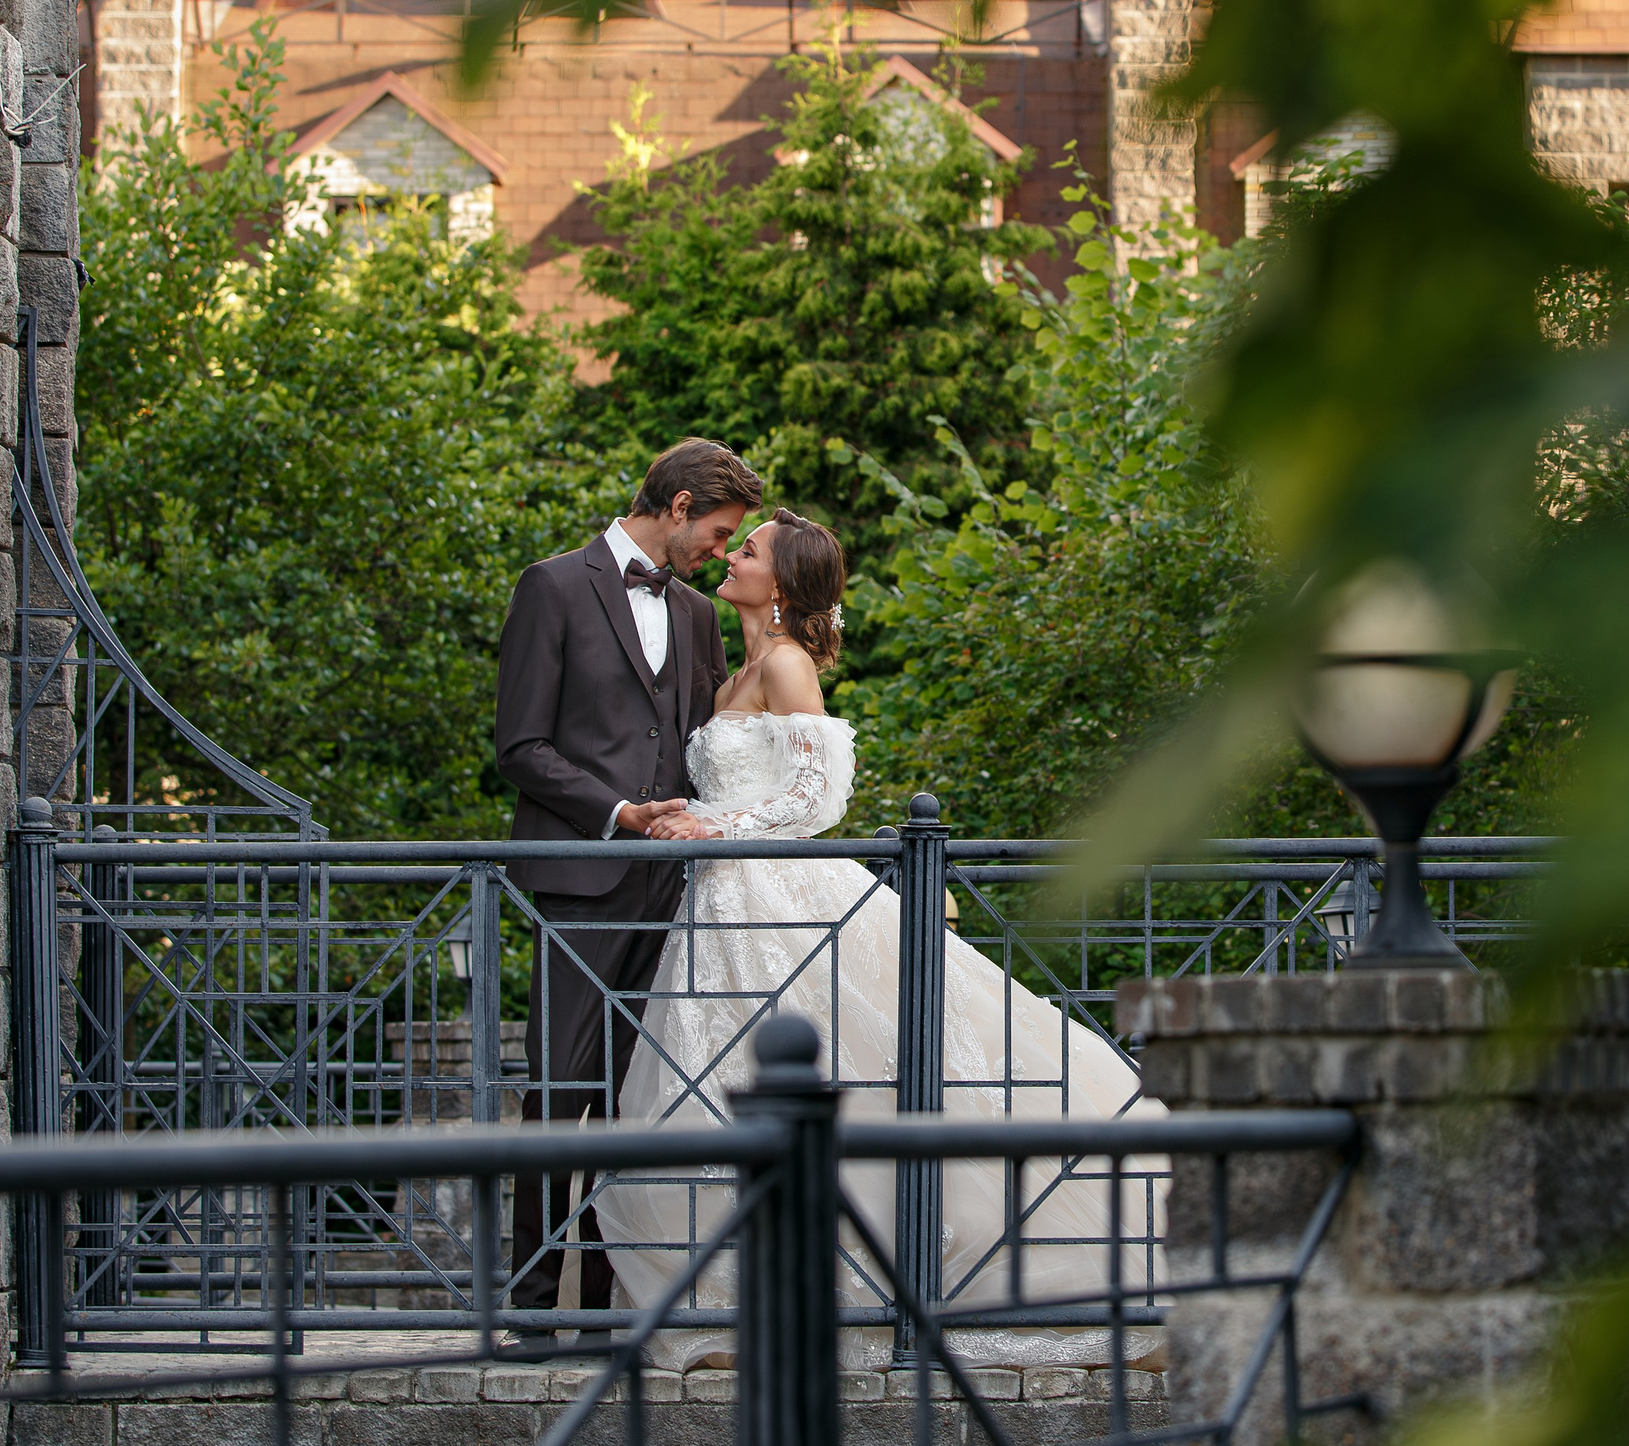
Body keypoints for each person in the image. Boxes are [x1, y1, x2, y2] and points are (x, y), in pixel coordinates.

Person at [592, 508, 1161, 1369]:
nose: (732, 555)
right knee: (717, 1078)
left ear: (779, 585)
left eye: (747, 550)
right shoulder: (731, 672)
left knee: (847, 1071)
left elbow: (822, 796)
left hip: (777, 893)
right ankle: (737, 1297)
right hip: (718, 901)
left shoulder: (785, 666)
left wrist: (724, 826)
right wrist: (697, 821)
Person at [492, 437, 764, 1346]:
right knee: (557, 1091)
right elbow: (521, 747)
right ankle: (532, 1304)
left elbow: (696, 741)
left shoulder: (694, 614)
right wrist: (619, 811)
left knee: (629, 1093)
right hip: (579, 874)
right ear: (679, 505)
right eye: (718, 531)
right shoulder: (553, 587)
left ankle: (604, 1304)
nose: (720, 552)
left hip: (670, 889)